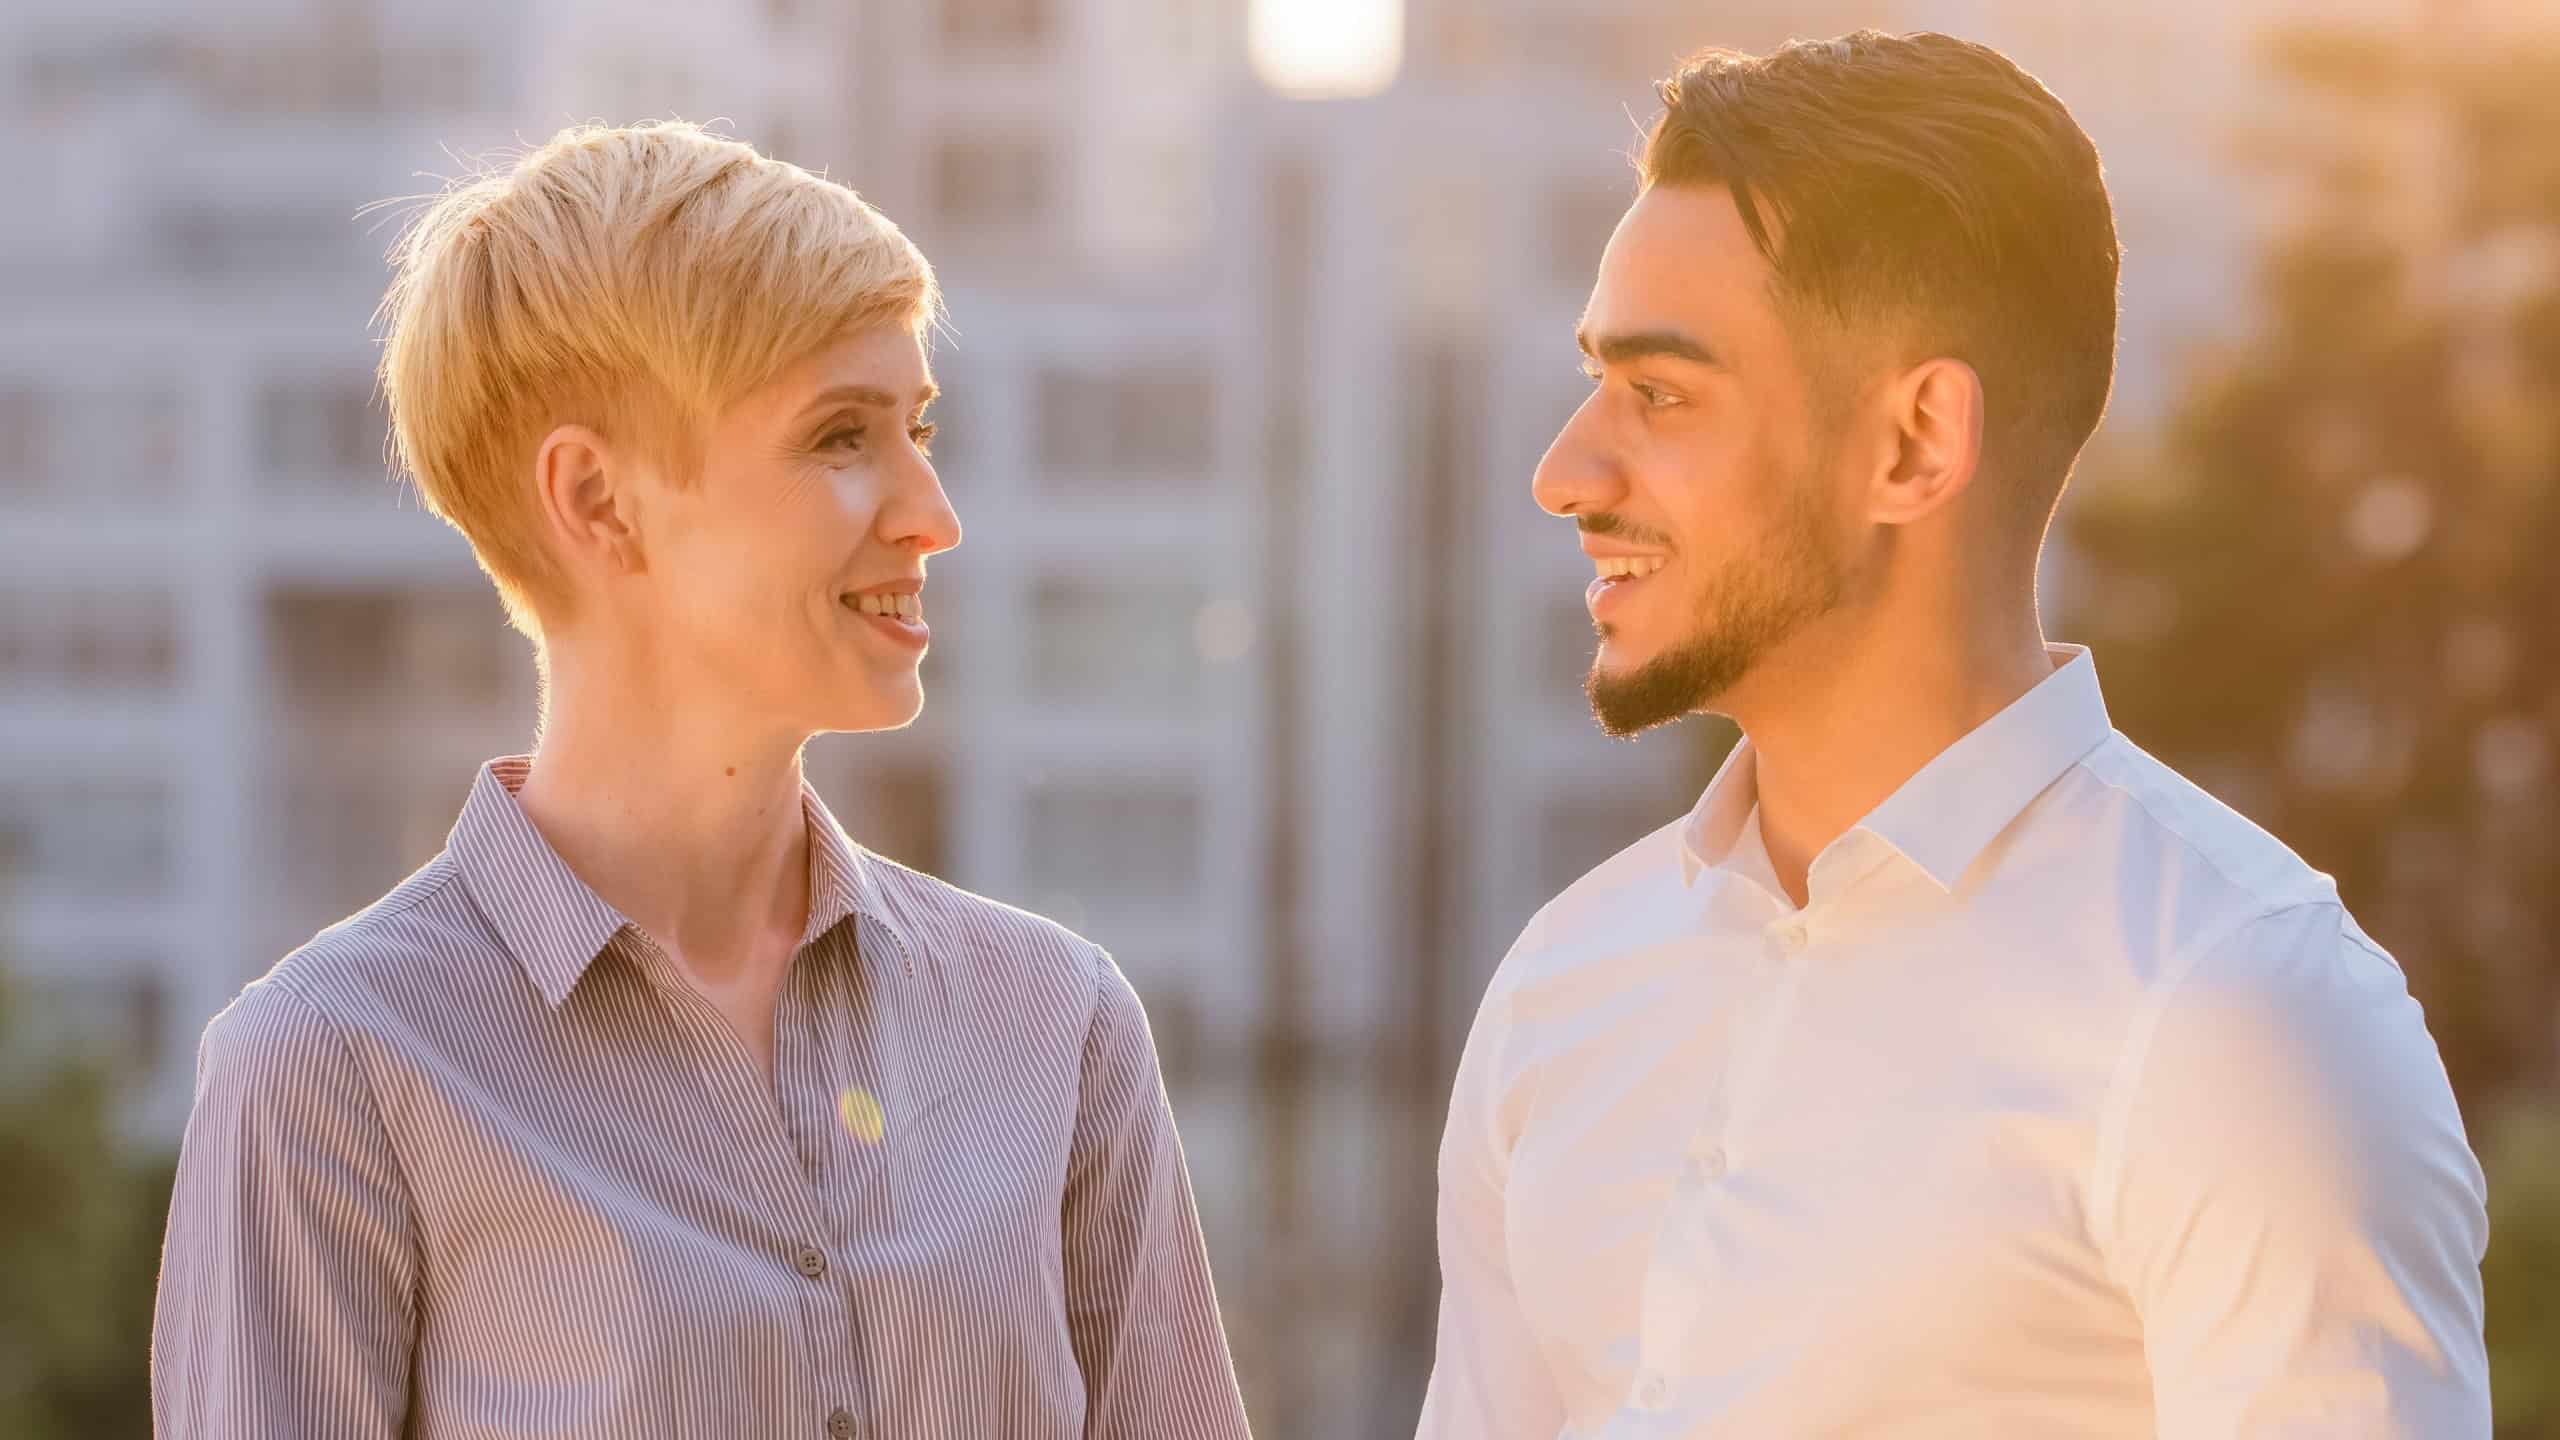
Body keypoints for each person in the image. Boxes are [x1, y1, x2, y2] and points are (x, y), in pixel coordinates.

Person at [1418, 31, 2488, 1439]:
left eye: (1659, 393)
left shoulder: (2243, 1016)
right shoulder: (1562, 988)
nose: (1564, 473)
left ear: (1915, 442)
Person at [151, 121, 1252, 1439]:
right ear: (597, 500)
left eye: (919, 427)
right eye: (841, 436)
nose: (933, 513)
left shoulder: (1058, 1027)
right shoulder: (329, 1074)